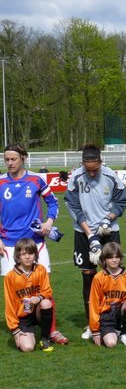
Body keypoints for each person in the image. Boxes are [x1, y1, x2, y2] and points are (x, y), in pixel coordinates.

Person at [0, 143, 68, 345]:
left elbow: (53, 202)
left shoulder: (36, 180)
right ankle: (18, 326)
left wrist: (49, 221)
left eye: (13, 159)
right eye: (6, 159)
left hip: (34, 242)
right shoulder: (1, 182)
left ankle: (51, 330)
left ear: (23, 158)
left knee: (45, 286)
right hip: (9, 243)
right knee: (13, 289)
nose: (9, 163)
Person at [64, 143, 126, 340]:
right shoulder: (75, 177)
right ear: (82, 164)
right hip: (83, 232)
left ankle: (115, 322)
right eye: (88, 170)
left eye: (95, 170)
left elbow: (123, 200)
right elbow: (72, 205)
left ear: (101, 163)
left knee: (112, 276)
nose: (92, 174)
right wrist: (90, 235)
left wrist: (107, 218)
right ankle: (91, 322)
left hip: (109, 231)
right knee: (88, 277)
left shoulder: (111, 176)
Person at [3, 238, 55, 352]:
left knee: (46, 303)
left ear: (35, 255)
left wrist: (39, 297)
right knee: (27, 348)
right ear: (18, 256)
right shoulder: (10, 277)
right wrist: (14, 329)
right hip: (23, 317)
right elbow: (9, 304)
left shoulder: (40, 270)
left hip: (37, 311)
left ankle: (45, 338)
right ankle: (25, 334)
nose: (27, 257)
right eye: (23, 254)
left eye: (31, 253)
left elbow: (48, 290)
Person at [88, 242, 126, 348]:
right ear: (104, 259)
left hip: (120, 314)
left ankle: (124, 333)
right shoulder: (99, 277)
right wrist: (95, 331)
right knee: (111, 344)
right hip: (106, 316)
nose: (114, 260)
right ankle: (109, 332)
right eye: (110, 257)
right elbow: (94, 304)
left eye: (117, 257)